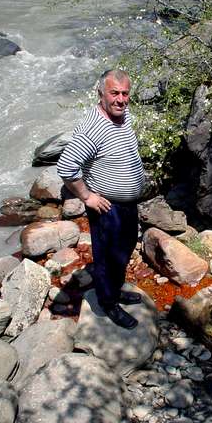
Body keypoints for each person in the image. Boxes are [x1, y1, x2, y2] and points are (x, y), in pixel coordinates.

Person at [57, 69, 145, 329]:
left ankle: (115, 291)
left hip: (127, 204)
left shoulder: (123, 114)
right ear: (101, 94)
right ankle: (108, 303)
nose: (120, 99)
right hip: (108, 207)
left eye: (125, 93)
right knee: (108, 257)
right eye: (114, 93)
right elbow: (66, 166)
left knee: (123, 251)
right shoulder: (92, 128)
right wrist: (86, 196)